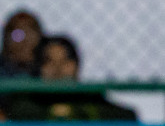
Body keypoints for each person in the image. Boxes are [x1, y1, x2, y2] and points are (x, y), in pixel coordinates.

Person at [7, 35, 136, 121]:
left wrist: (75, 112)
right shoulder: (29, 98)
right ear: (39, 67)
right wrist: (52, 113)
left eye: (65, 61)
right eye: (49, 61)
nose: (58, 69)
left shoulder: (88, 98)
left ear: (76, 65)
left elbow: (127, 115)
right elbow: (18, 111)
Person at [0, 9, 43, 121]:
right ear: (7, 39)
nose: (25, 41)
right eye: (18, 34)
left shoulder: (46, 69)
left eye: (31, 33)